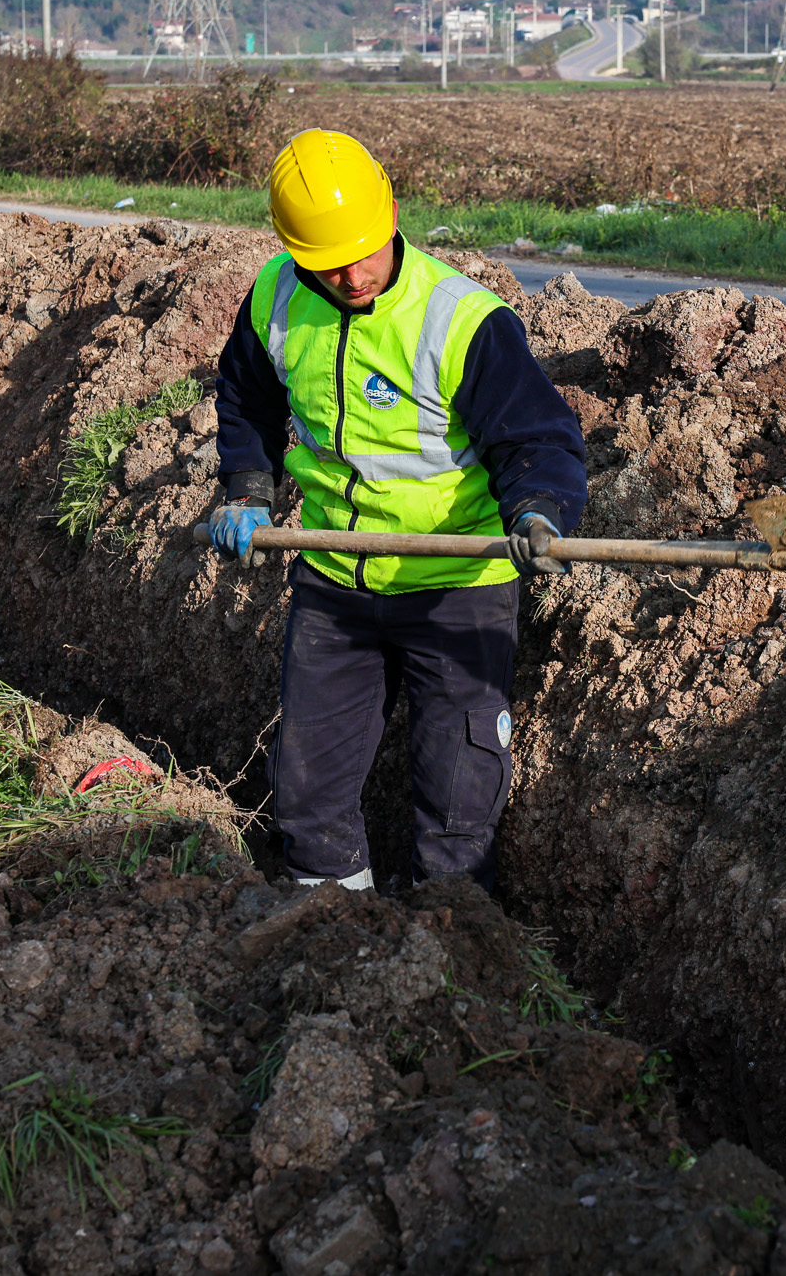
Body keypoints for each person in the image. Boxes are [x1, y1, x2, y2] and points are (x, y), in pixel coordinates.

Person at [208, 129, 587, 893]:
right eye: (328, 261)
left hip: (457, 585)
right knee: (309, 798)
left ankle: (444, 960)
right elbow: (245, 399)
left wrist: (539, 512)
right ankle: (335, 941)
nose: (351, 275)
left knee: (457, 805)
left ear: (392, 212)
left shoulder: (462, 320)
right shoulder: (277, 297)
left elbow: (537, 437)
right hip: (334, 583)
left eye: (364, 250)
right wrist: (247, 487)